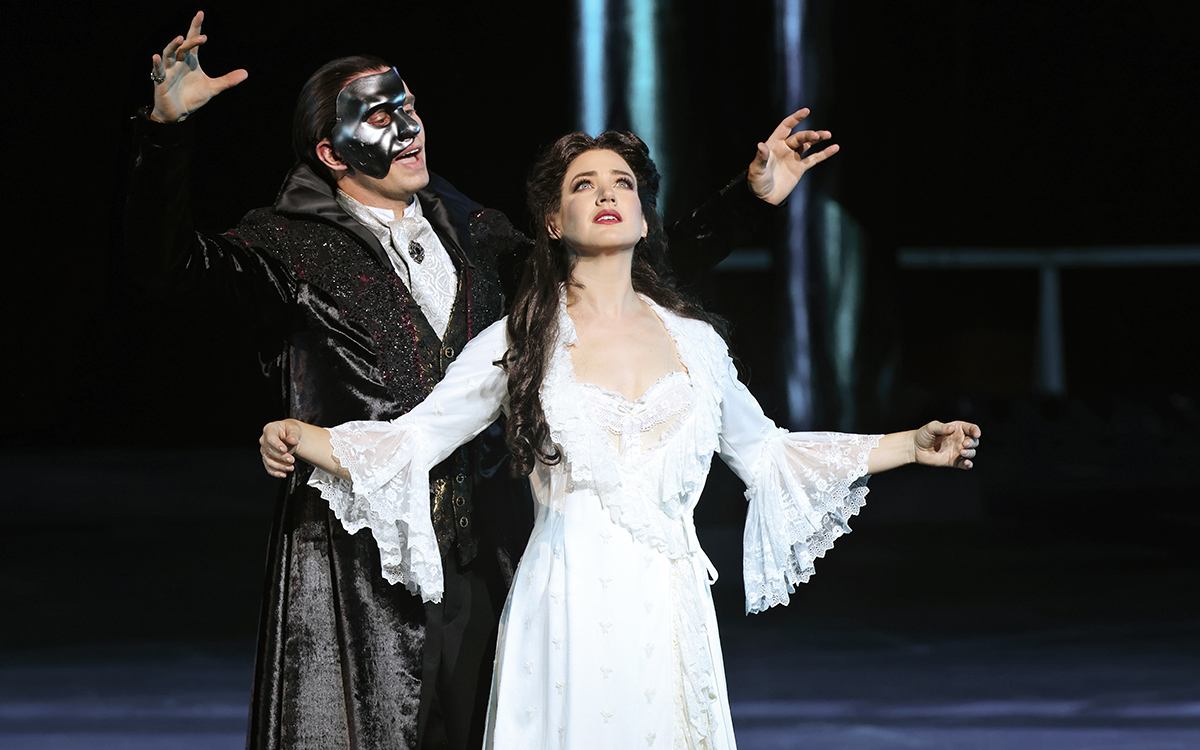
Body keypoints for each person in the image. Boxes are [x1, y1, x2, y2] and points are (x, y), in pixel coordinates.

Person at [126, 12, 840, 749]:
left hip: (485, 551)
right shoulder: (289, 248)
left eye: (408, 106)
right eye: (380, 116)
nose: (408, 127)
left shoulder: (480, 236)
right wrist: (165, 131)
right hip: (359, 558)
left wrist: (748, 200)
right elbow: (169, 271)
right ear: (331, 153)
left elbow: (619, 275)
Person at [259, 130, 981, 749]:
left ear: (642, 216)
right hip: (564, 607)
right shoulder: (521, 341)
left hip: (670, 610)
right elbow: (415, 441)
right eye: (583, 184)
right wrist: (299, 435)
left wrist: (910, 445)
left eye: (622, 183)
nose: (606, 192)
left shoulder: (696, 345)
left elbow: (769, 454)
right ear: (551, 221)